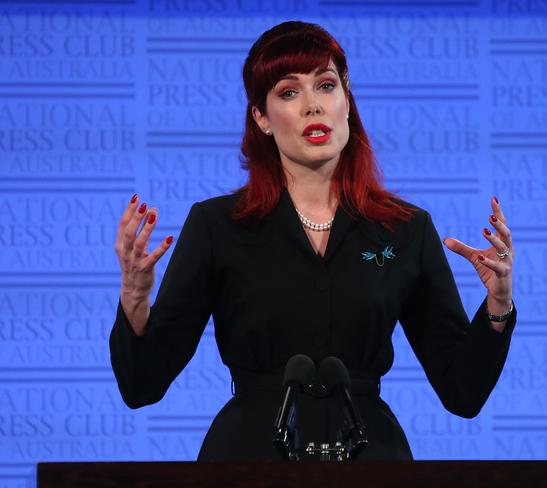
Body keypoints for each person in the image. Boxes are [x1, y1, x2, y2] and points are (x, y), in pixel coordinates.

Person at [110, 21, 516, 461]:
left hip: (371, 458)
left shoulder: (406, 229)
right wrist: (135, 299)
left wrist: (497, 307)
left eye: (325, 85)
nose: (312, 106)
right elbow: (142, 386)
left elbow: (462, 392)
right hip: (248, 459)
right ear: (261, 118)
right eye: (288, 92)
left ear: (346, 100)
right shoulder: (217, 225)